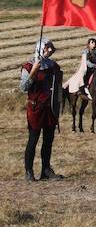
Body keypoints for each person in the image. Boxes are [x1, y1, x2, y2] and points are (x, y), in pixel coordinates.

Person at [20, 38, 63, 181]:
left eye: (50, 47)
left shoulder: (53, 66)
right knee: (33, 139)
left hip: (49, 108)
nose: (50, 50)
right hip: (36, 108)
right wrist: (33, 71)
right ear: (40, 48)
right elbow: (23, 87)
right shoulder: (28, 66)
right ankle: (29, 171)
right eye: (47, 47)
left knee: (48, 140)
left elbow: (57, 86)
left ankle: (46, 170)